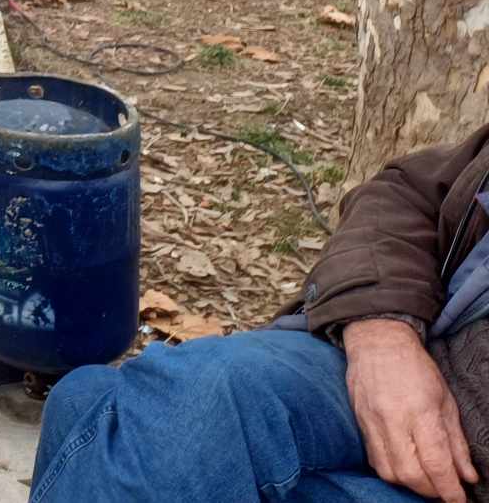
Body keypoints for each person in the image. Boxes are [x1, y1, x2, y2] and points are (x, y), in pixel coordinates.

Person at [31, 125, 489, 503]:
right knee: (193, 394)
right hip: (426, 356)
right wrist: (384, 335)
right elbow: (409, 191)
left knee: (91, 406)